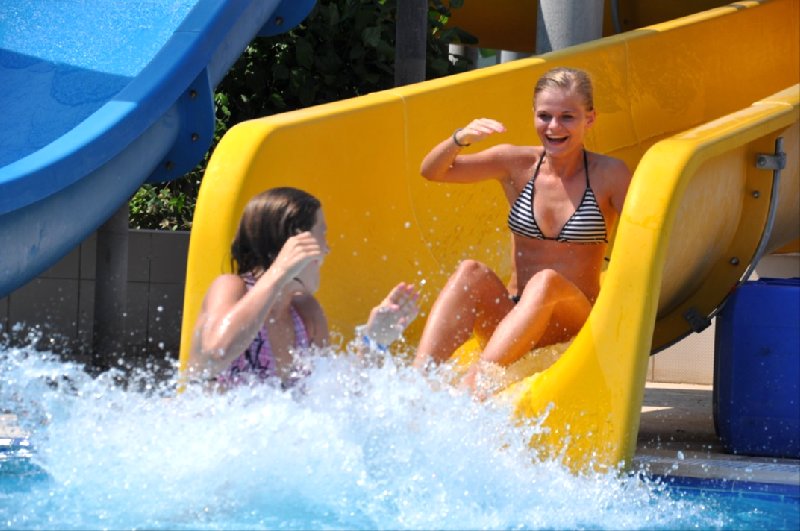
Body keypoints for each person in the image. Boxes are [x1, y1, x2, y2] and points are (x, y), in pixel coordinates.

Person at [412, 67, 631, 391]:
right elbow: (433, 171)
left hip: (572, 323)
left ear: (590, 119)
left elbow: (648, 233)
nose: (554, 127)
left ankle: (474, 386)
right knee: (470, 272)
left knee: (546, 282)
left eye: (567, 117)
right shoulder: (516, 164)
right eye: (545, 116)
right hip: (514, 316)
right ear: (533, 115)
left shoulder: (610, 174)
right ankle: (416, 385)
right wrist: (460, 139)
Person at [187, 186, 419, 388]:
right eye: (321, 235)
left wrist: (374, 342)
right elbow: (213, 356)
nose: (327, 249)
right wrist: (279, 271)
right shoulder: (231, 287)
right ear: (294, 244)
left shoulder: (306, 314)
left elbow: (336, 403)